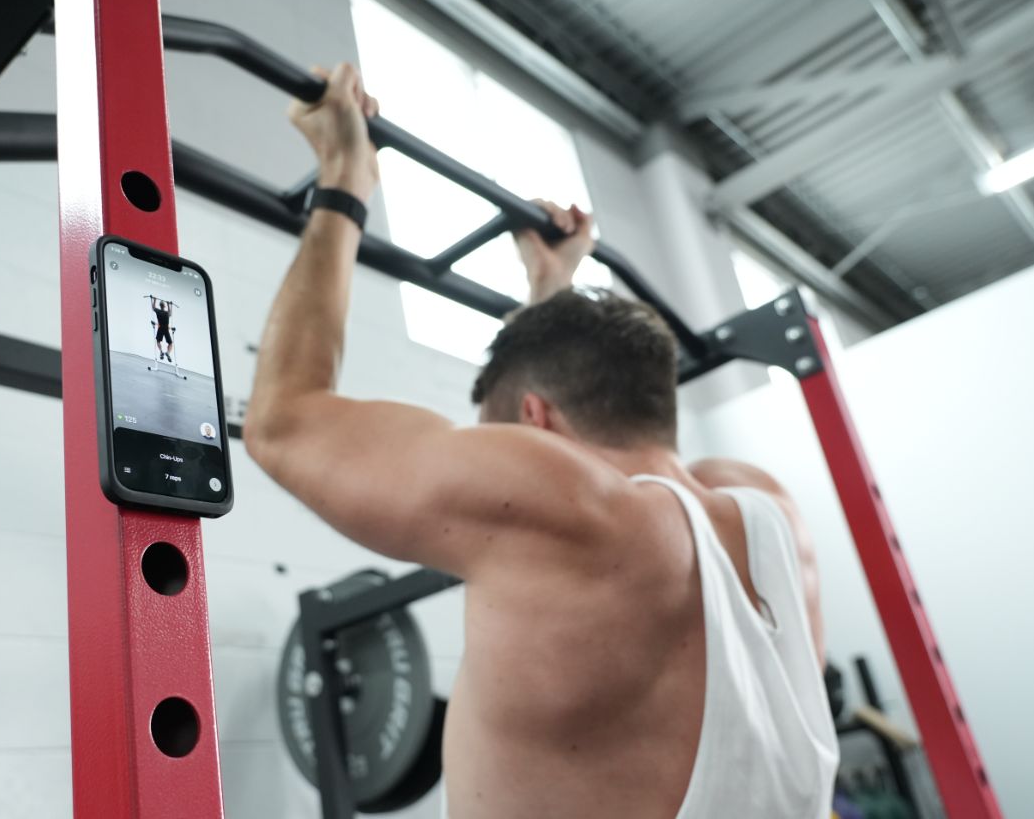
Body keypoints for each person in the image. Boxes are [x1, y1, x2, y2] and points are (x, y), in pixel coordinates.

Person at [244, 64, 838, 819]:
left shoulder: (570, 513)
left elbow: (284, 419)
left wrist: (344, 179)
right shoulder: (769, 517)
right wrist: (553, 288)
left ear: (536, 424)